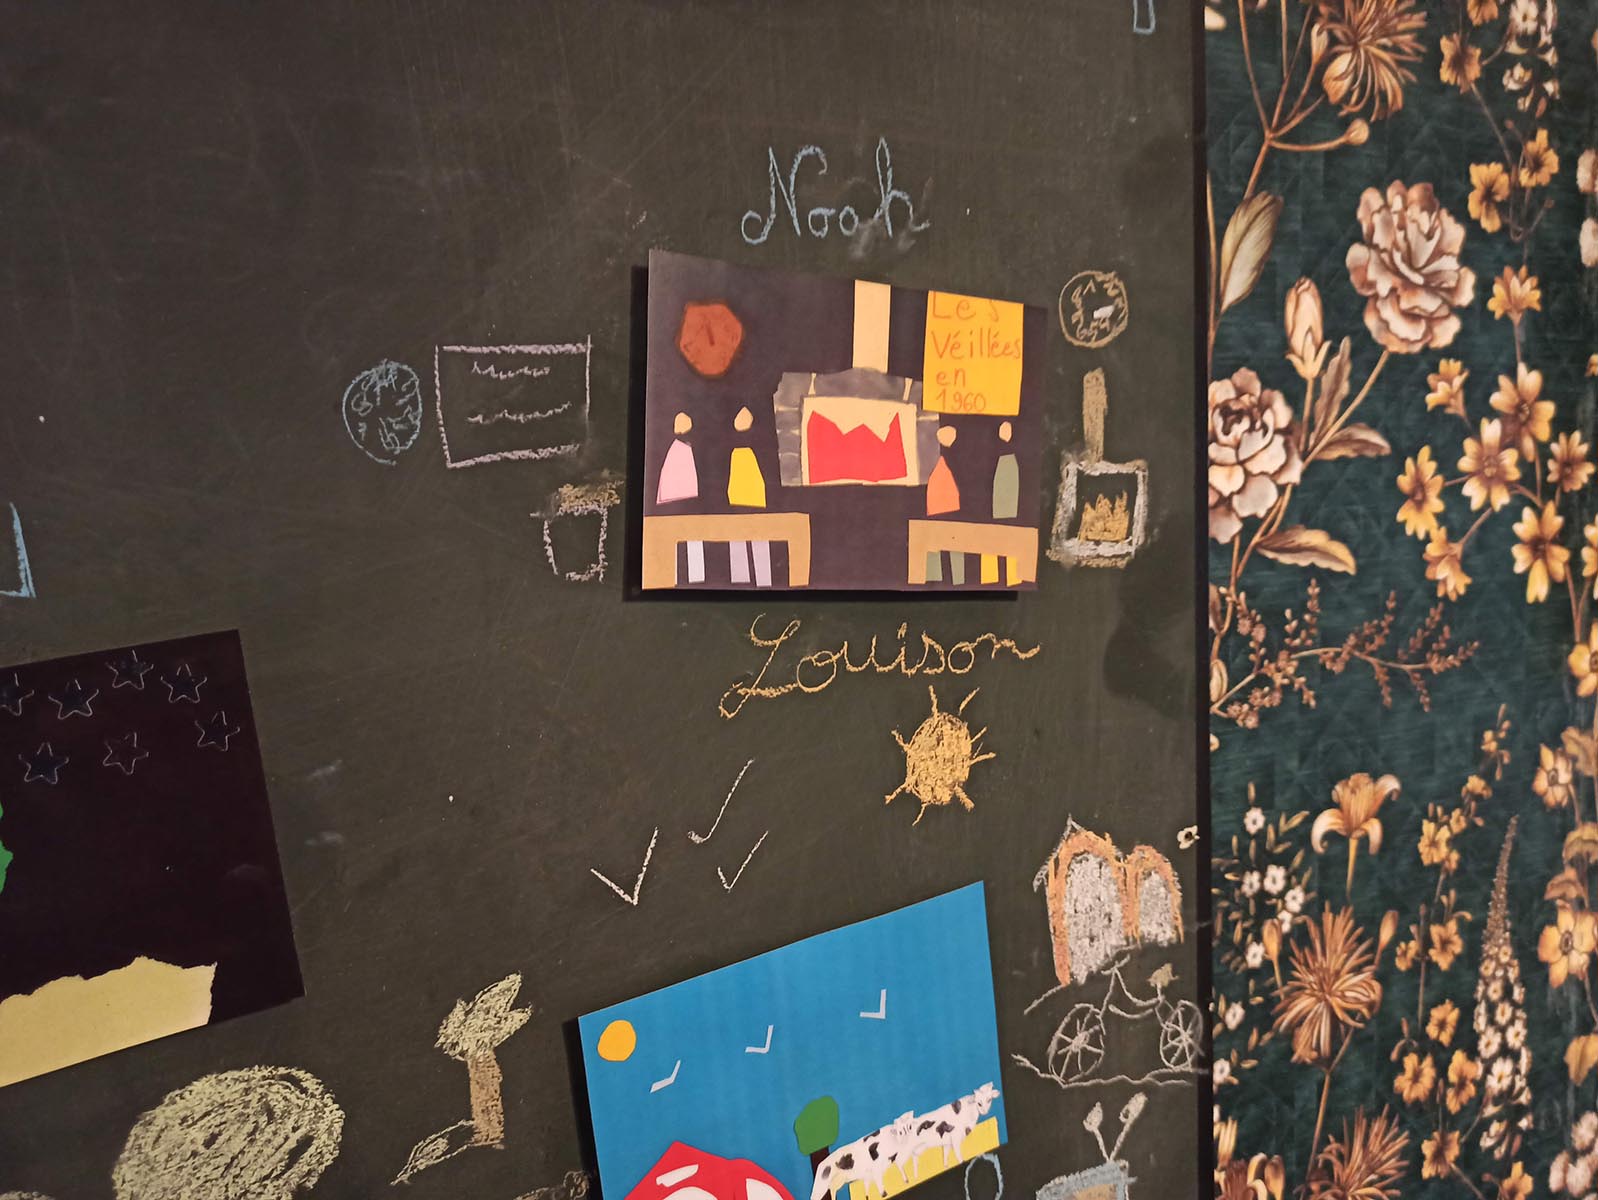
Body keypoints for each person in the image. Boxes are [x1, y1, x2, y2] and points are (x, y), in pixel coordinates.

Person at [656, 412, 704, 582]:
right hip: (680, 503)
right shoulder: (681, 450)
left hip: (681, 503)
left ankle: (692, 576)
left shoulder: (681, 449)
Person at [727, 406, 771, 586]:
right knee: (747, 536)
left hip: (750, 500)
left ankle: (750, 580)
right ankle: (746, 579)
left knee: (754, 536)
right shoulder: (742, 453)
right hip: (745, 500)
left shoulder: (742, 452)